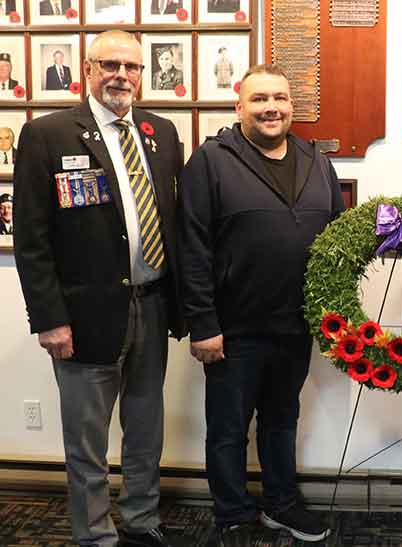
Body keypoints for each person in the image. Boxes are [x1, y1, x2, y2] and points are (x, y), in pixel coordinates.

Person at [13, 30, 187, 547]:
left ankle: (140, 519)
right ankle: (93, 534)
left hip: (152, 304)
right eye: (109, 64)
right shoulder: (49, 134)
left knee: (145, 427)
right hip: (84, 313)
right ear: (87, 69)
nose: (121, 75)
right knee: (87, 438)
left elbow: (171, 221)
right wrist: (49, 318)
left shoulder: (163, 132)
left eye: (131, 67)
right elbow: (32, 237)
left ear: (142, 74)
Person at [179, 64, 343, 545]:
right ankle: (232, 515)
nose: (271, 107)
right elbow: (192, 246)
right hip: (233, 329)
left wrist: (334, 315)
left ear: (292, 106)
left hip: (296, 325)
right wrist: (202, 323)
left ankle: (281, 503)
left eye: (280, 98)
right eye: (259, 99)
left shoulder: (317, 161)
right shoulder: (210, 161)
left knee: (282, 420)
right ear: (239, 107)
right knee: (228, 429)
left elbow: (338, 237)